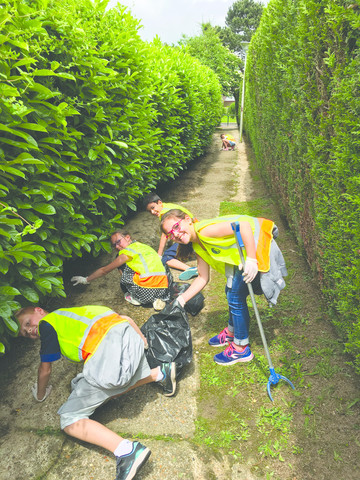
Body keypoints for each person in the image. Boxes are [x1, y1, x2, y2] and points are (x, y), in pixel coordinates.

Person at [15, 304, 177, 480]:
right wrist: (143, 342)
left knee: (70, 419)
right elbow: (125, 318)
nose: (30, 330)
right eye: (25, 332)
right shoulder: (71, 313)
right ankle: (160, 373)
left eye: (28, 323)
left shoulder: (46, 324)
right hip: (129, 341)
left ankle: (128, 451)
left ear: (39, 311)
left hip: (113, 356)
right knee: (86, 384)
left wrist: (40, 394)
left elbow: (45, 370)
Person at [160, 210, 287, 366]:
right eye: (171, 234)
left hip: (257, 241)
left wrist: (252, 260)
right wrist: (181, 300)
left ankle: (241, 349)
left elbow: (244, 227)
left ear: (188, 220)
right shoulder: (197, 244)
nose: (176, 234)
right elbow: (202, 277)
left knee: (235, 296)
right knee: (230, 292)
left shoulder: (204, 231)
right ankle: (231, 333)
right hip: (244, 252)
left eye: (177, 227)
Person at [71, 230, 172, 310]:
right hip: (163, 288)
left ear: (127, 237)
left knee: (121, 265)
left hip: (146, 292)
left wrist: (85, 279)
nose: (117, 246)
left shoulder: (126, 253)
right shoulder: (143, 246)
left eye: (118, 242)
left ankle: (137, 297)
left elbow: (104, 270)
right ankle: (155, 299)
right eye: (114, 245)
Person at [142, 192, 198, 281]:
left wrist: (159, 255)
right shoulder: (167, 206)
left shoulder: (164, 213)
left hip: (190, 237)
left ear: (159, 203)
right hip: (194, 230)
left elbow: (164, 235)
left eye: (153, 208)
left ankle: (191, 269)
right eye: (149, 211)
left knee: (166, 257)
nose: (152, 212)